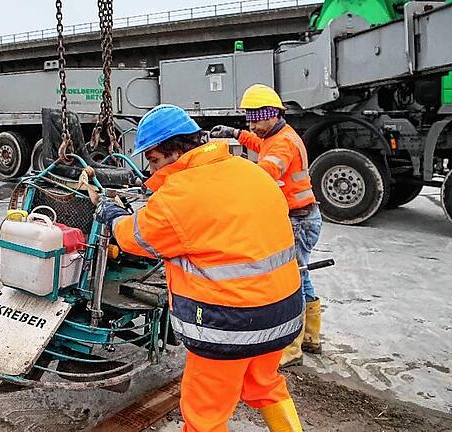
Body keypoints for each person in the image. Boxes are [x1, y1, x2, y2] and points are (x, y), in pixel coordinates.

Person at [100, 104, 304, 431]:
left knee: (204, 416)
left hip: (229, 326)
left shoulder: (180, 195)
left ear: (172, 152)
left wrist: (111, 215)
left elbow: (132, 238)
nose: (151, 172)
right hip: (284, 314)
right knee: (265, 385)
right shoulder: (250, 171)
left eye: (153, 161)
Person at [210, 84, 323, 368]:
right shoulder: (278, 135)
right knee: (302, 275)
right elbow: (261, 145)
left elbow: (267, 171)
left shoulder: (283, 143)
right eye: (249, 118)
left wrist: (227, 170)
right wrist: (235, 134)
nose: (252, 124)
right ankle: (312, 337)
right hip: (303, 217)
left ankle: (293, 348)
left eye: (256, 118)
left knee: (292, 281)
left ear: (272, 115)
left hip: (299, 220)